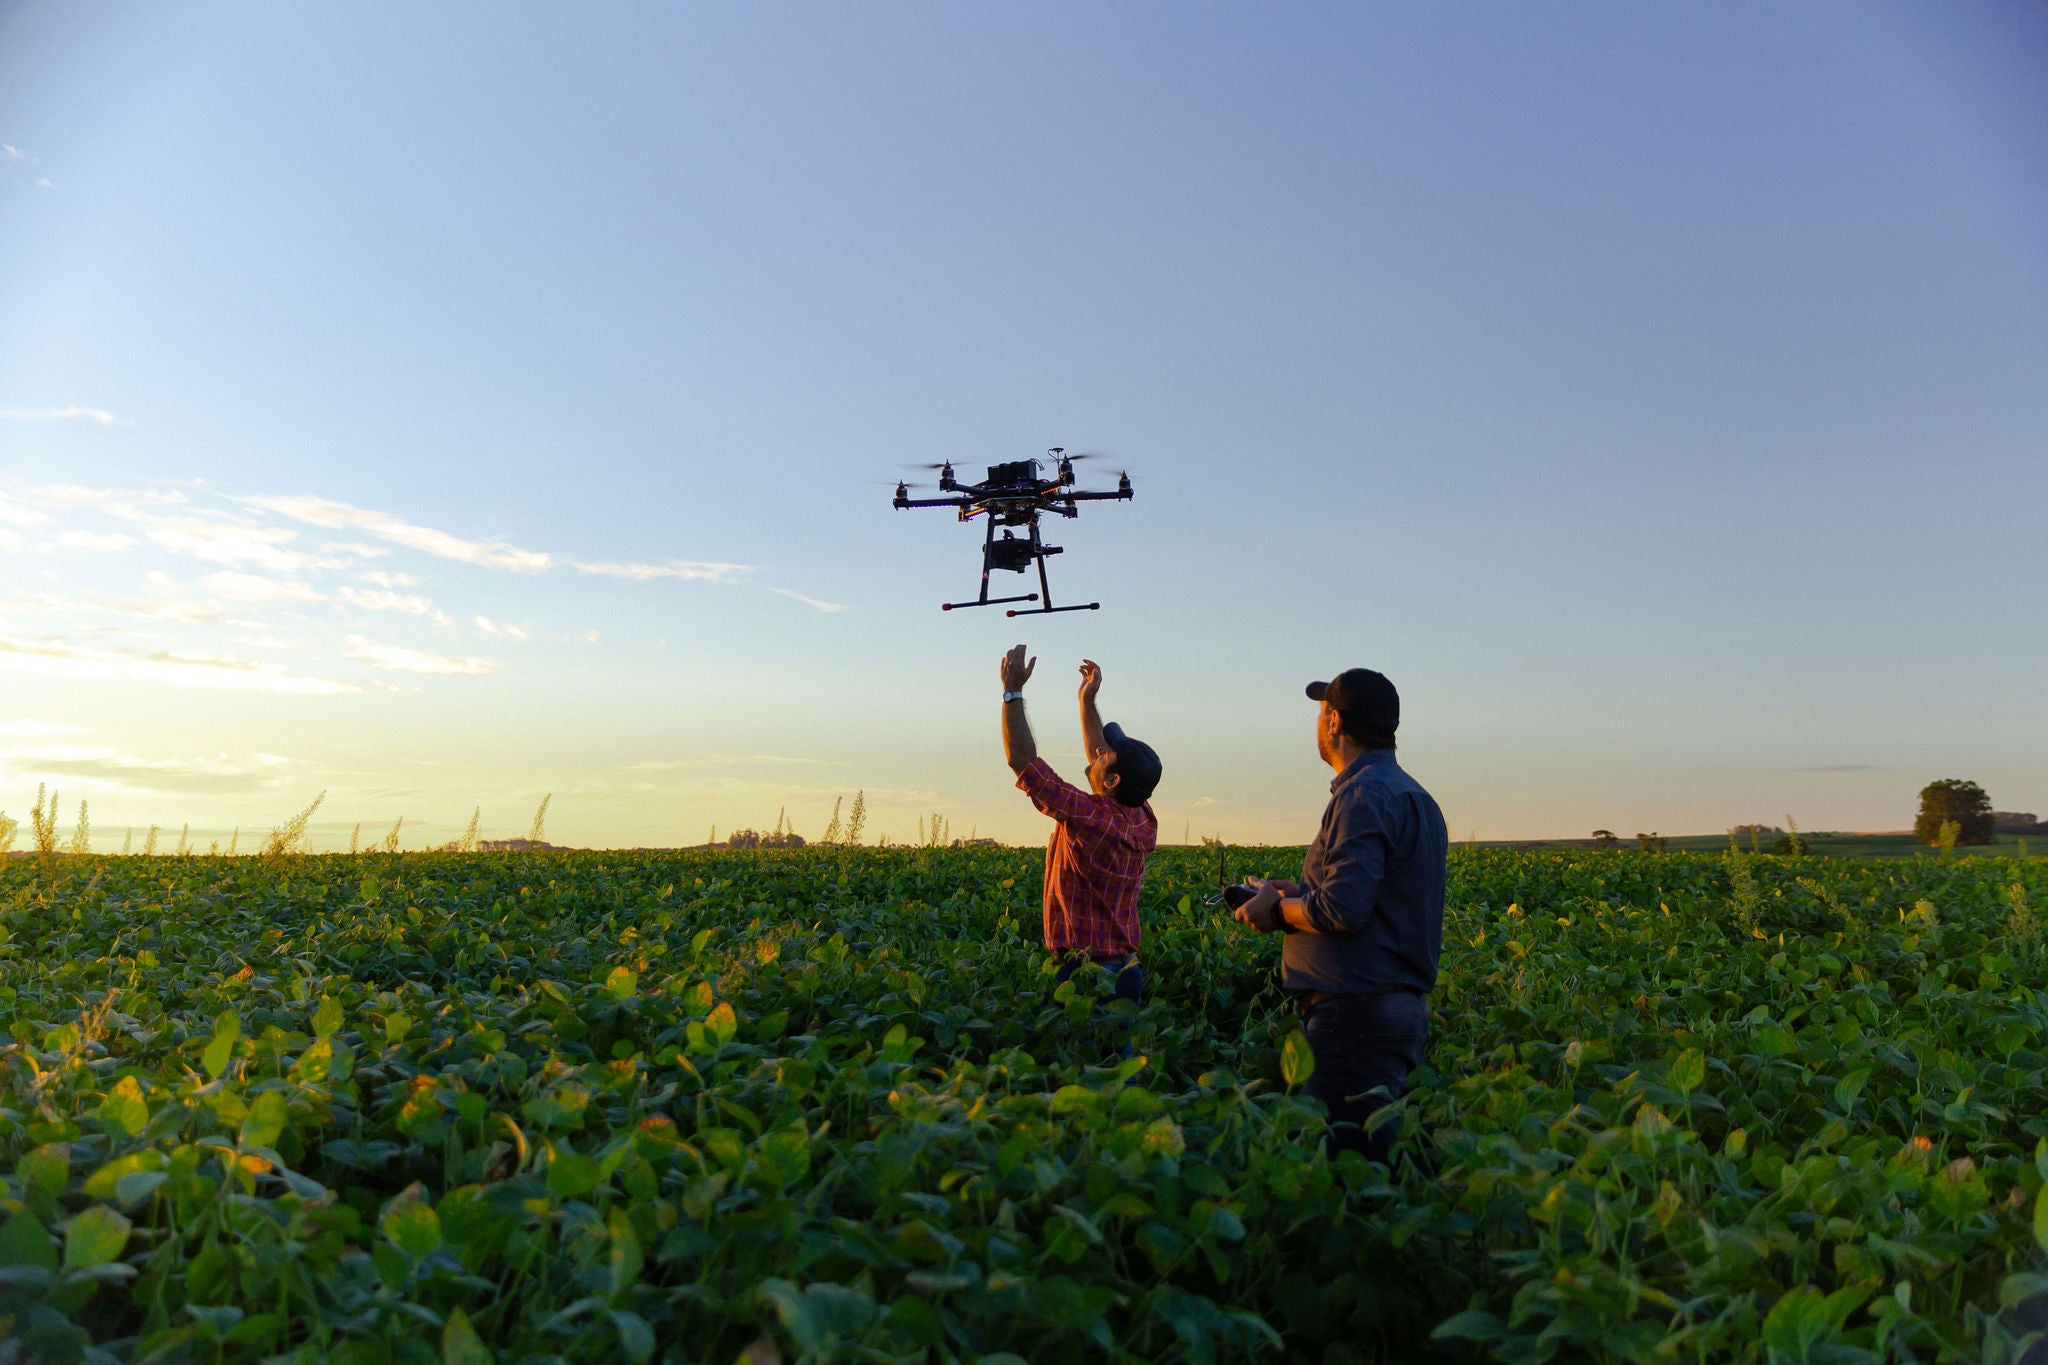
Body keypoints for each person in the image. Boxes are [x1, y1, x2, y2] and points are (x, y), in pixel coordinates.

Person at [1233, 667, 1446, 1165]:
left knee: (1350, 1174)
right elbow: (1371, 897)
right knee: (1375, 1164)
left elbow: (1342, 910)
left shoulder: (1362, 794)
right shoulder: (1414, 796)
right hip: (1390, 1009)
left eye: (1321, 710)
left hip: (1355, 1015)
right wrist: (1296, 892)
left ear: (1333, 721)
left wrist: (1276, 910)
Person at [999, 644, 1162, 1032]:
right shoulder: (1142, 817)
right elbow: (1097, 759)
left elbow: (1023, 763)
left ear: (1111, 781)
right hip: (1124, 970)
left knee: (1074, 1075)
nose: (1098, 752)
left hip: (1086, 975)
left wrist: (1012, 692)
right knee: (1115, 1079)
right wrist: (1087, 701)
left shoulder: (1092, 818)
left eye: (1106, 755)